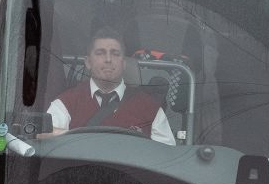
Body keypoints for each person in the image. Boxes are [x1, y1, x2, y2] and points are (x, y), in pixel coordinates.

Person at [46, 28, 176, 146]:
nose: (108, 59)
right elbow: (46, 141)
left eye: (115, 53)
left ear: (124, 63)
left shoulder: (150, 108)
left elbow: (166, 157)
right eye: (100, 53)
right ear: (88, 62)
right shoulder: (66, 103)